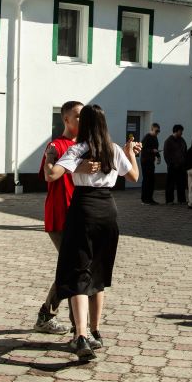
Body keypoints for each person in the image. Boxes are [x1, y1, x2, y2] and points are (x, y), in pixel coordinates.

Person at [45, 104, 140, 361]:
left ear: (84, 124)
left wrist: (54, 156)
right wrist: (130, 153)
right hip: (107, 210)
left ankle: (81, 335)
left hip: (83, 209)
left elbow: (52, 175)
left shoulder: (77, 149)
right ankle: (97, 331)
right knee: (99, 273)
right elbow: (133, 176)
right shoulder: (113, 149)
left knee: (78, 272)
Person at [35, 101, 97, 335]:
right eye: (78, 116)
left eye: (84, 116)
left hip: (81, 215)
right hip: (60, 215)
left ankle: (54, 318)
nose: (82, 120)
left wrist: (129, 151)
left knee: (73, 269)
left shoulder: (86, 146)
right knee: (74, 268)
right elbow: (49, 174)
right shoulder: (56, 145)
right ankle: (76, 327)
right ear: (66, 119)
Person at [163, 125, 187, 205]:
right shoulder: (168, 141)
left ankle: (181, 199)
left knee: (181, 183)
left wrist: (184, 162)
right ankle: (169, 200)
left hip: (181, 166)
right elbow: (166, 154)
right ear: (176, 131)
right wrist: (170, 164)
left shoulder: (182, 140)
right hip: (172, 166)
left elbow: (185, 151)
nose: (182, 133)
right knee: (170, 184)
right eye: (180, 131)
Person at [140, 123, 161, 205]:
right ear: (152, 129)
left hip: (151, 161)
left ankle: (150, 198)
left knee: (151, 180)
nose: (157, 133)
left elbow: (155, 149)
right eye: (156, 131)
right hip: (145, 161)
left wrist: (158, 157)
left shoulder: (155, 138)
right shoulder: (147, 137)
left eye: (158, 131)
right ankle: (144, 199)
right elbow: (142, 149)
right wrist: (152, 151)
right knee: (147, 180)